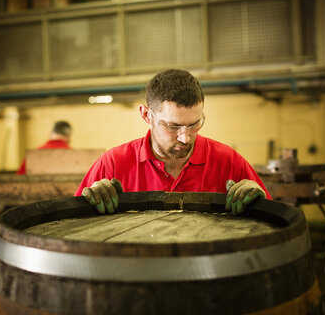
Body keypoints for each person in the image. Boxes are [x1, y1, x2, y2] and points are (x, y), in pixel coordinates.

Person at [75, 69, 271, 215]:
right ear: (146, 115)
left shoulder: (229, 162)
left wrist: (260, 205)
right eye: (172, 126)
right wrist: (90, 204)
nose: (185, 138)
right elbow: (73, 224)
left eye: (194, 124)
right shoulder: (113, 165)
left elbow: (270, 222)